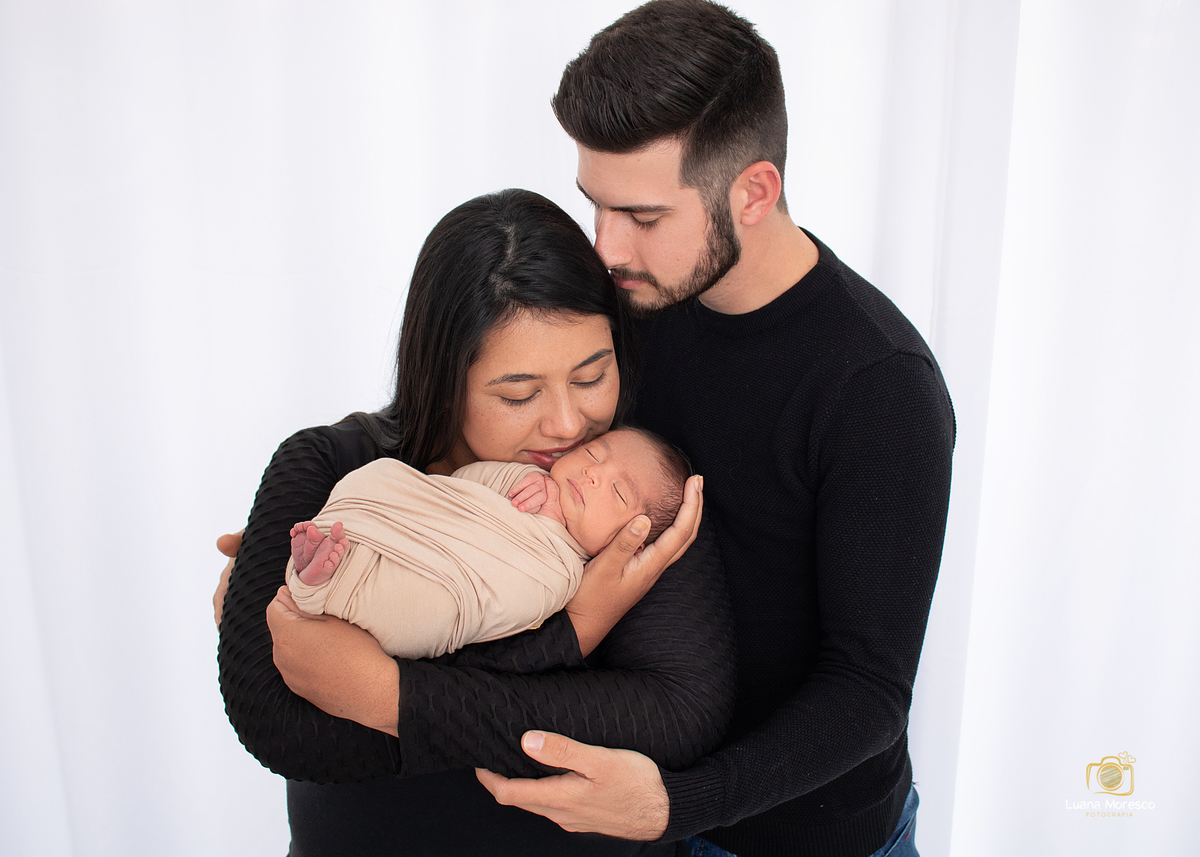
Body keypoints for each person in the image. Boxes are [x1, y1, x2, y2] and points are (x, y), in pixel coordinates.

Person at [473, 3, 956, 857]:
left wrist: (679, 803)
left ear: (754, 191)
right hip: (637, 814)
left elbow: (870, 691)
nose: (607, 247)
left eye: (644, 216)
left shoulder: (879, 387)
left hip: (804, 839)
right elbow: (489, 421)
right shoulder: (633, 300)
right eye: (597, 205)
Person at [215, 187, 732, 856]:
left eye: (591, 374)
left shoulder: (625, 486)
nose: (570, 425)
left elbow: (679, 716)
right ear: (442, 378)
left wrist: (383, 692)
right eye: (519, 393)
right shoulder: (330, 464)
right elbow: (279, 724)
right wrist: (571, 637)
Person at [285, 426, 689, 659]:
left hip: (454, 588)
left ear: (628, 541)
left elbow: (509, 610)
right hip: (424, 526)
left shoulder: (565, 573)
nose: (593, 475)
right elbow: (457, 487)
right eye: (593, 454)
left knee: (428, 612)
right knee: (381, 473)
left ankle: (323, 583)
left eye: (618, 493)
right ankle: (328, 559)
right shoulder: (527, 478)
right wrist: (511, 480)